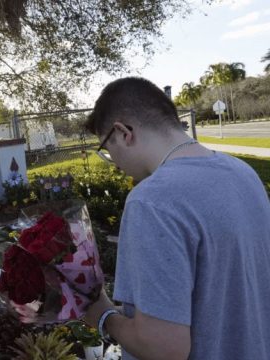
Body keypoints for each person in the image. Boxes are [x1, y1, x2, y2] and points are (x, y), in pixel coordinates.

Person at [82, 77, 270, 359]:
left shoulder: (152, 201)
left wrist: (102, 314)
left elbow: (163, 348)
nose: (116, 165)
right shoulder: (243, 174)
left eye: (108, 150)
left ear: (123, 133)